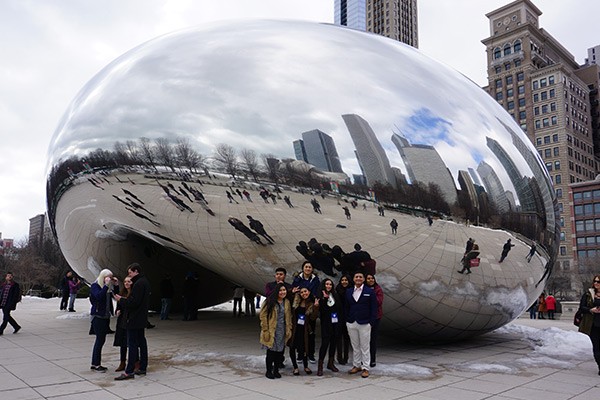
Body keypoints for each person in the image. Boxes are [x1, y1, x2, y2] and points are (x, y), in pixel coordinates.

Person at [114, 263, 151, 380]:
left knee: (133, 344)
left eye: (130, 272)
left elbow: (134, 302)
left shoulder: (138, 284)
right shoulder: (144, 282)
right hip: (140, 319)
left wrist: (121, 300)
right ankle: (142, 367)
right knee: (142, 342)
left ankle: (129, 370)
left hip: (134, 319)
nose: (129, 275)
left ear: (136, 271)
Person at [345, 271, 377, 378]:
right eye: (356, 276)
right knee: (355, 346)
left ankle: (366, 368)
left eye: (360, 277)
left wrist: (371, 322)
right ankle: (356, 365)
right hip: (352, 322)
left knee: (365, 346)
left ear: (363, 279)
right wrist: (347, 319)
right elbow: (346, 306)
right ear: (353, 279)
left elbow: (374, 308)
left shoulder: (369, 291)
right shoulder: (349, 291)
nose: (358, 278)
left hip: (365, 322)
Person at [259, 283, 292, 379]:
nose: (282, 292)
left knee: (279, 352)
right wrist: (265, 330)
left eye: (284, 290)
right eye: (280, 290)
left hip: (282, 331)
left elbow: (288, 317)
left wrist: (289, 329)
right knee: (271, 352)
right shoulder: (269, 301)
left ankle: (276, 370)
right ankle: (269, 371)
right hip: (271, 330)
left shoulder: (286, 302)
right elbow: (263, 316)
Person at [89, 269, 118, 372]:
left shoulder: (108, 287)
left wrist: (116, 285)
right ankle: (96, 364)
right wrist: (106, 285)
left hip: (106, 316)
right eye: (108, 277)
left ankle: (95, 363)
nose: (109, 279)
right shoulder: (95, 286)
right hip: (98, 316)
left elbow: (116, 297)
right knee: (99, 340)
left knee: (101, 340)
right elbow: (99, 297)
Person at [292, 262, 321, 363]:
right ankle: (300, 354)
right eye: (306, 267)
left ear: (312, 269)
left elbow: (318, 291)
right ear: (303, 268)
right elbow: (294, 289)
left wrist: (314, 300)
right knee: (299, 333)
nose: (308, 269)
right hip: (300, 306)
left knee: (311, 332)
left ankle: (311, 355)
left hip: (310, 306)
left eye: (310, 267)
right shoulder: (298, 278)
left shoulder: (316, 280)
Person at [289, 287, 318, 375]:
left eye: (305, 291)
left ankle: (305, 366)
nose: (303, 293)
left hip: (304, 329)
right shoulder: (296, 301)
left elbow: (313, 318)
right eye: (301, 292)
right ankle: (295, 367)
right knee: (292, 347)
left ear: (309, 292)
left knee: (304, 347)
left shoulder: (311, 303)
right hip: (294, 328)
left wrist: (316, 307)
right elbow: (288, 305)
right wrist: (291, 293)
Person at [315, 278, 340, 376]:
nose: (328, 286)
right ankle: (320, 365)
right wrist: (324, 299)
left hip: (335, 322)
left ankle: (331, 363)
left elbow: (338, 308)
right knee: (325, 343)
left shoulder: (334, 295)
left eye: (330, 284)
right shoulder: (320, 296)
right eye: (327, 284)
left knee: (333, 343)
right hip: (326, 323)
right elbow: (323, 311)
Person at [113, 276, 134, 372]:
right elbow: (118, 306)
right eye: (125, 281)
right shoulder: (122, 293)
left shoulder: (134, 294)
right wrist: (117, 310)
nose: (126, 283)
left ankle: (134, 361)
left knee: (132, 343)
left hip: (130, 321)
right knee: (123, 343)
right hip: (122, 321)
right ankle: (122, 362)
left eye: (129, 281)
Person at [365, 274, 383, 368]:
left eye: (372, 278)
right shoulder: (362, 289)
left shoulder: (378, 289)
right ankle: (364, 359)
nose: (370, 280)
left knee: (373, 339)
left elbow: (379, 302)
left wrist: (370, 295)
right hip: (364, 317)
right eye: (368, 278)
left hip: (375, 318)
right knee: (364, 340)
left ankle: (372, 359)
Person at [335, 275, 351, 365]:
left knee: (346, 338)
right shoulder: (337, 290)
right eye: (342, 280)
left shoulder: (352, 291)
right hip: (339, 317)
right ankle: (339, 357)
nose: (344, 282)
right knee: (338, 338)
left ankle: (346, 357)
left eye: (346, 280)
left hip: (348, 317)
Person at [0, 271, 22, 335]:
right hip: (3, 303)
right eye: (8, 276)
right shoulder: (3, 285)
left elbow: (16, 295)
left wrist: (13, 303)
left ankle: (1, 330)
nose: (9, 277)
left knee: (5, 317)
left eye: (10, 276)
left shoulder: (15, 285)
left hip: (9, 303)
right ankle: (16, 326)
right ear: (6, 277)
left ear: (12, 277)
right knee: (7, 316)